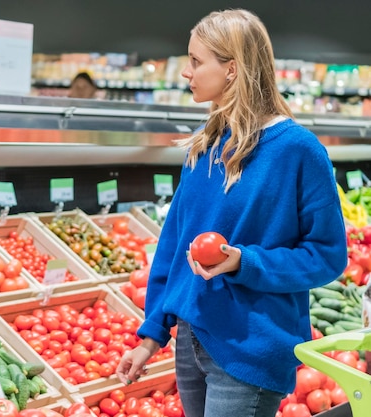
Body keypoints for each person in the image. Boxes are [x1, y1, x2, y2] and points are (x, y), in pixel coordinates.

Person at [116, 9, 347, 417]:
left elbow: (327, 256)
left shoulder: (298, 151)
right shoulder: (202, 148)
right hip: (191, 337)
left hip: (250, 346)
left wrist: (245, 262)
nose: (186, 73)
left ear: (231, 70)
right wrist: (152, 334)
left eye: (195, 61)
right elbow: (173, 246)